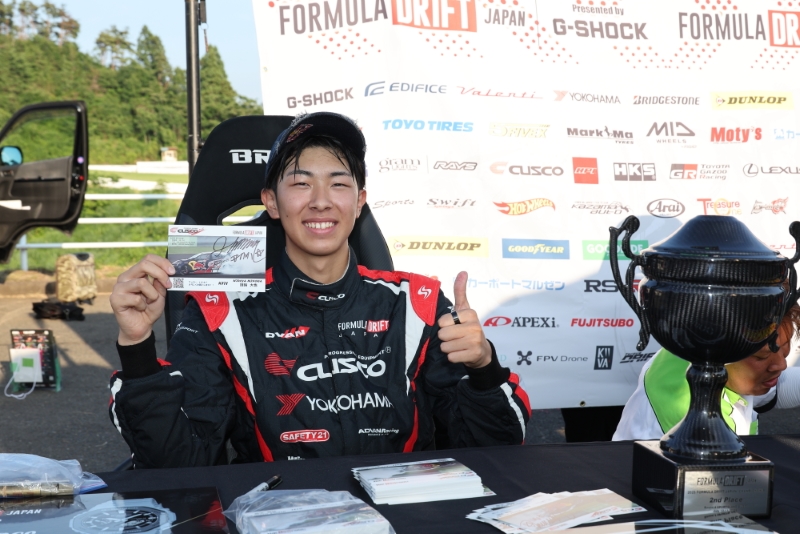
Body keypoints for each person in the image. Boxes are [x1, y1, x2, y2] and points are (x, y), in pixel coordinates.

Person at [108, 112, 531, 468]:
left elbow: (495, 449)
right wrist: (137, 347)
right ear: (271, 202)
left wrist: (483, 368)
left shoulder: (418, 303)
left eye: (339, 183)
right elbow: (177, 464)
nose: (321, 201)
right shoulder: (220, 313)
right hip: (277, 516)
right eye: (301, 183)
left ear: (359, 201)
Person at [613, 304, 800, 440]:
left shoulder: (690, 348)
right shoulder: (701, 419)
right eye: (761, 357)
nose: (781, 365)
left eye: (785, 349)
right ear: (715, 348)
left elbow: (778, 389)